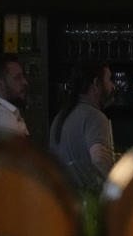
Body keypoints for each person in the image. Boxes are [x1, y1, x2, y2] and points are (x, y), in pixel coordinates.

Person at [49, 59, 117, 193]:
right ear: (96, 84)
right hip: (88, 205)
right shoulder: (95, 117)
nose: (113, 86)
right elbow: (101, 163)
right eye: (109, 80)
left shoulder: (60, 117)